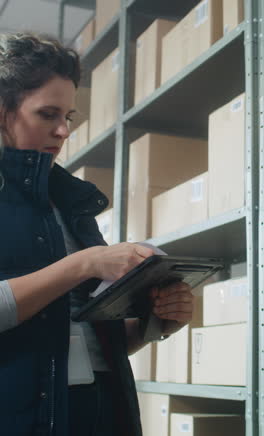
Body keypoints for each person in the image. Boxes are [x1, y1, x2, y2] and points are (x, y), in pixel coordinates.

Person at [0, 32, 193, 436]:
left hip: (106, 410)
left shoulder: (72, 205)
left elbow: (90, 339)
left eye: (68, 117)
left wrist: (153, 323)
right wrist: (84, 264)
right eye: (47, 114)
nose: (63, 132)